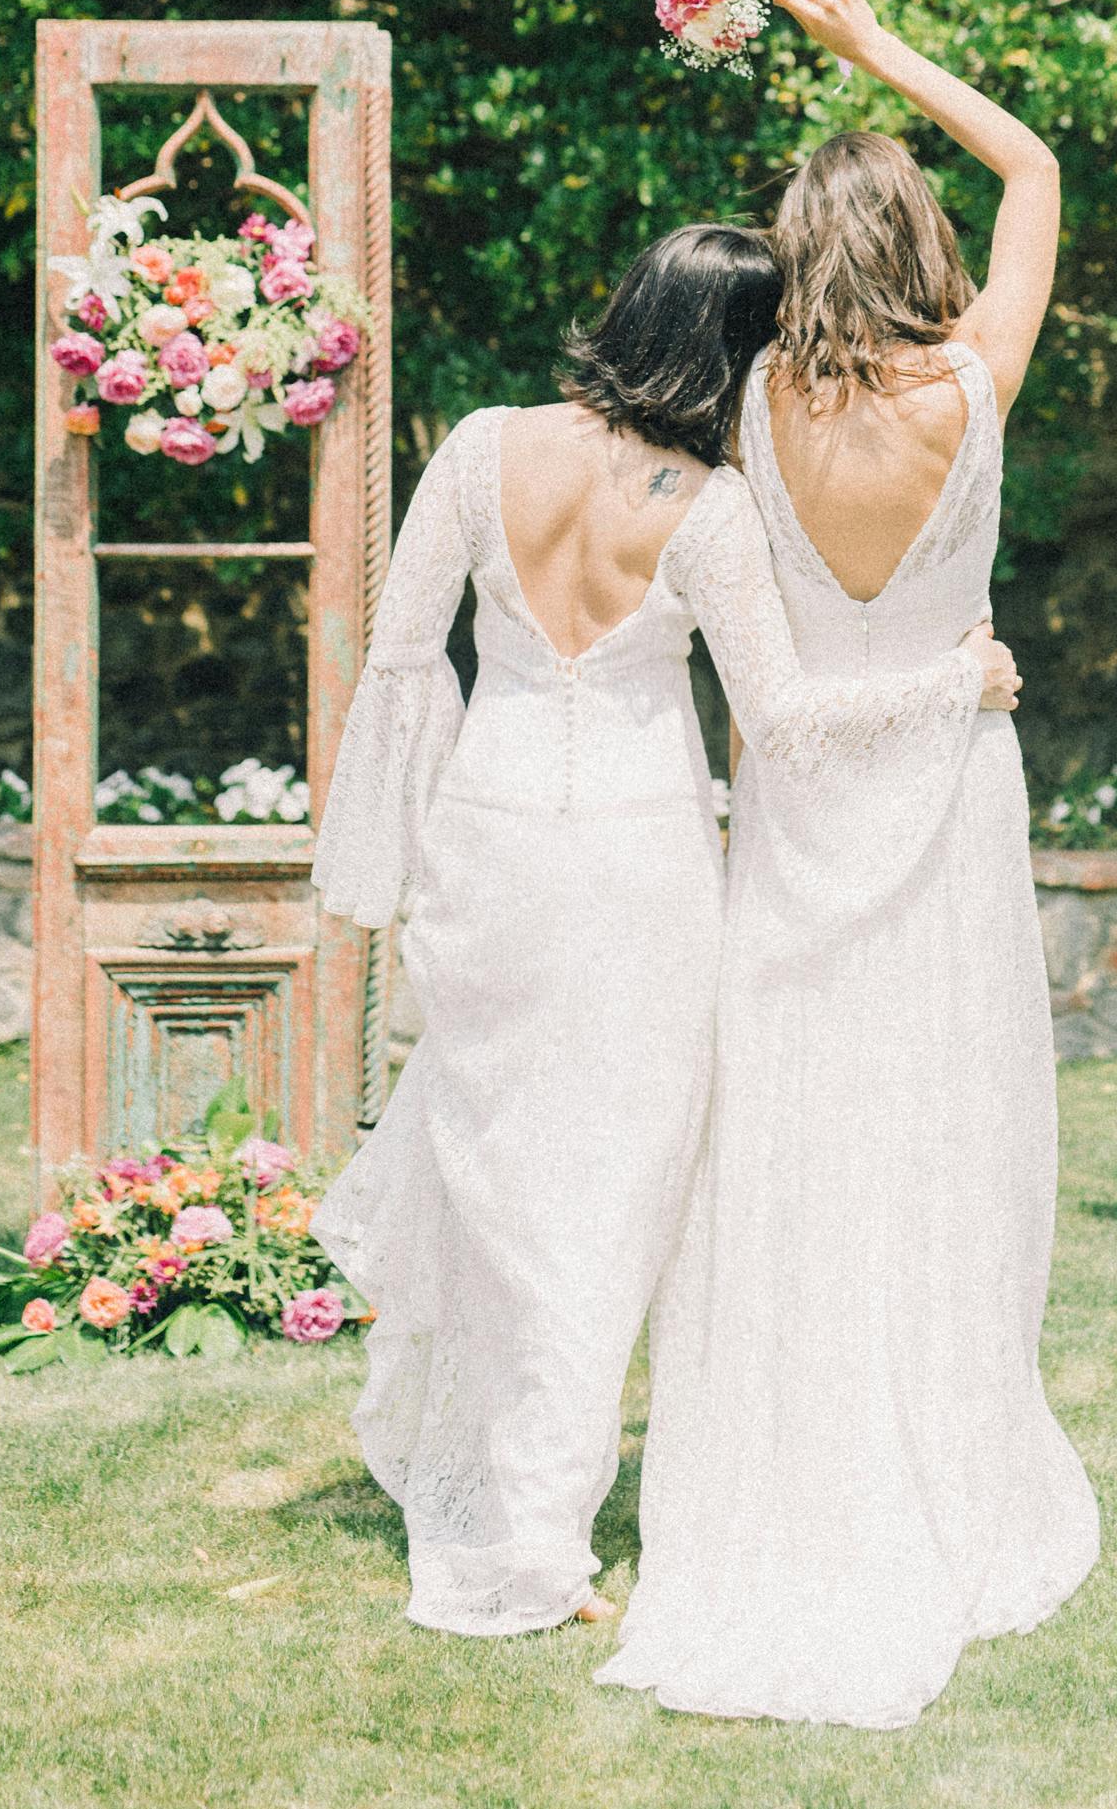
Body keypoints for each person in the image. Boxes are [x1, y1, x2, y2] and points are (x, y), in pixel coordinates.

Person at [310, 220, 1020, 1640]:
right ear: (733, 352)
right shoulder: (708, 512)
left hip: (487, 842)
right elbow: (788, 726)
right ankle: (536, 1544)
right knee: (607, 1204)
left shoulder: (479, 447)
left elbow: (398, 664)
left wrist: (384, 866)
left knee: (493, 1166)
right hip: (636, 867)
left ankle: (495, 1480)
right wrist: (954, 683)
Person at [598, 0, 1100, 1730]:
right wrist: (880, 53)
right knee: (945, 1124)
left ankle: (798, 1449)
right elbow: (1034, 161)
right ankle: (944, 1447)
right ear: (920, 244)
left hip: (804, 816)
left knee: (803, 1129)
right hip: (951, 787)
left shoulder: (749, 418)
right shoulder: (975, 382)